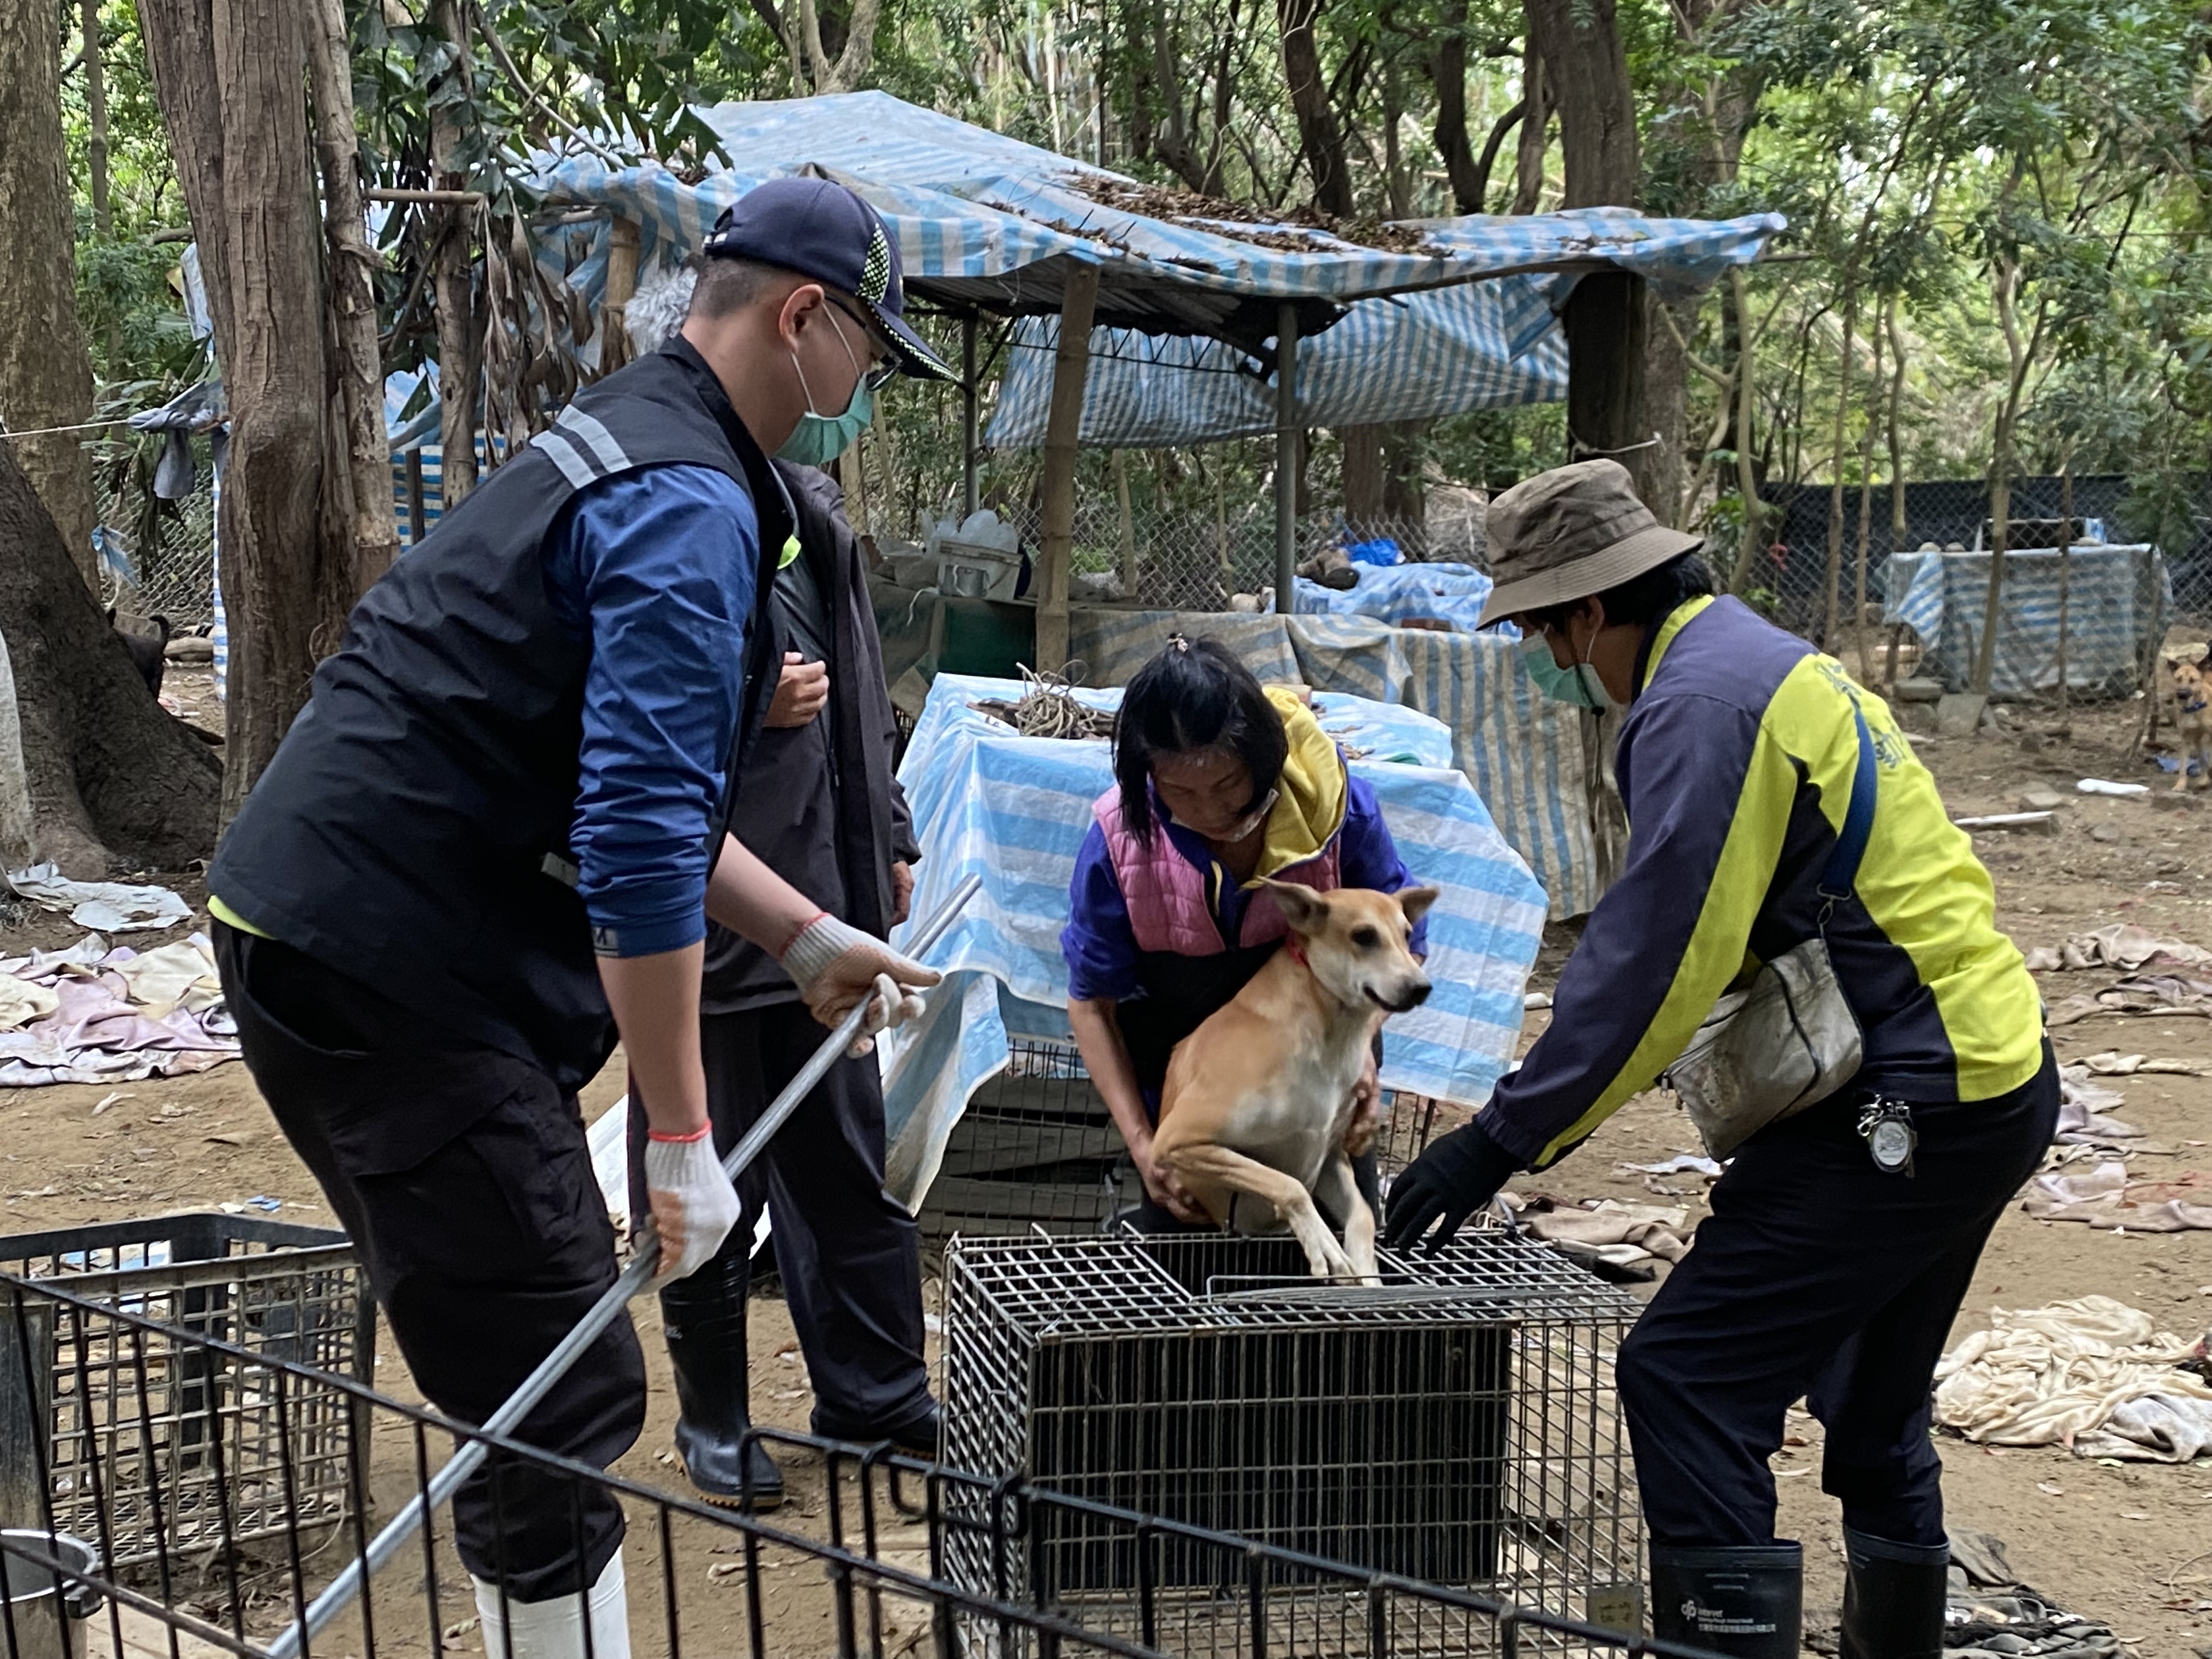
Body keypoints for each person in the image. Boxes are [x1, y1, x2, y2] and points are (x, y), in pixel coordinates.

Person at [205, 178, 955, 1659]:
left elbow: (623, 792)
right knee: (559, 1376)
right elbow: (634, 836)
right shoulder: (687, 503)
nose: (865, 387)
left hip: (338, 931)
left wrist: (803, 934)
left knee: (526, 1361)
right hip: (392, 970)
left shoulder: (636, 439)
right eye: (870, 348)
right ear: (806, 318)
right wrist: (680, 1136)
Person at [1384, 460, 2055, 1659]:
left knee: (1688, 1376)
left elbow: (1658, 963)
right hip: (1987, 1071)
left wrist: (1498, 1140)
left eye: (1546, 633)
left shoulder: (1700, 704)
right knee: (1875, 1399)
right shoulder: (1759, 656)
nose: (1551, 663)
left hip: (1910, 1093)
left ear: (1591, 612)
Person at [626, 456, 934, 1514]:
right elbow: (619, 724)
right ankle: (712, 1416)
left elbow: (862, 693)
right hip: (705, 933)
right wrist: (749, 700)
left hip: (828, 902)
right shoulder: (667, 513)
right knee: (709, 1183)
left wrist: (887, 827)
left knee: (847, 1170)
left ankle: (878, 1397)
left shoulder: (816, 517)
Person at [1063, 636, 1427, 1231]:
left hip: (1329, 1069)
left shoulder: (1336, 810)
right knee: (1187, 1269)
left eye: (1228, 783)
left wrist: (1362, 1048)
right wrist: (1144, 1143)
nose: (1209, 809)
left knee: (1343, 1249)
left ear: (1260, 756)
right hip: (1200, 1089)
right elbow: (1092, 1006)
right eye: (1179, 791)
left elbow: (1401, 938)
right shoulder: (1119, 841)